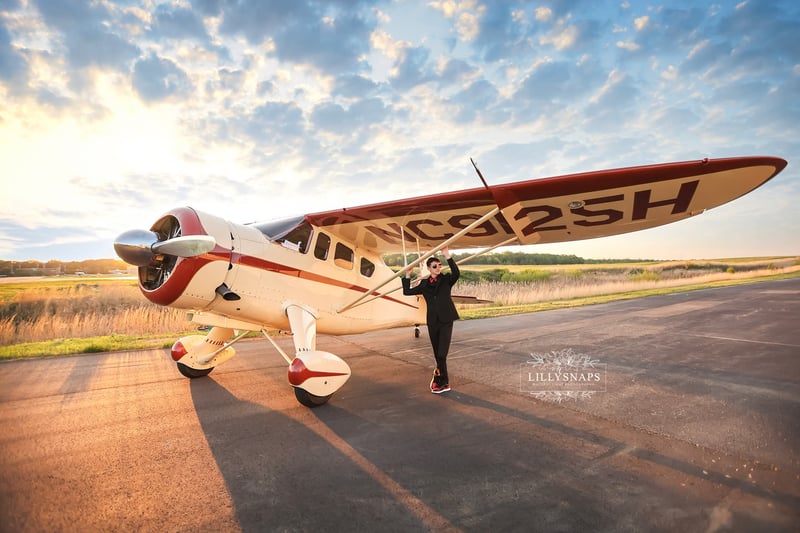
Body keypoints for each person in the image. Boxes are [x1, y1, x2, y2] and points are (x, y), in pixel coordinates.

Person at [402, 246, 460, 393]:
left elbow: (456, 273)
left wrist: (447, 255)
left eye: (439, 265)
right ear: (429, 268)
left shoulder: (446, 280)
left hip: (446, 319)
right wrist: (408, 275)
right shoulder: (424, 284)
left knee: (442, 353)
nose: (438, 268)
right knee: (437, 354)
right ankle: (440, 379)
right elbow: (407, 291)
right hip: (433, 321)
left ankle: (444, 381)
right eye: (435, 266)